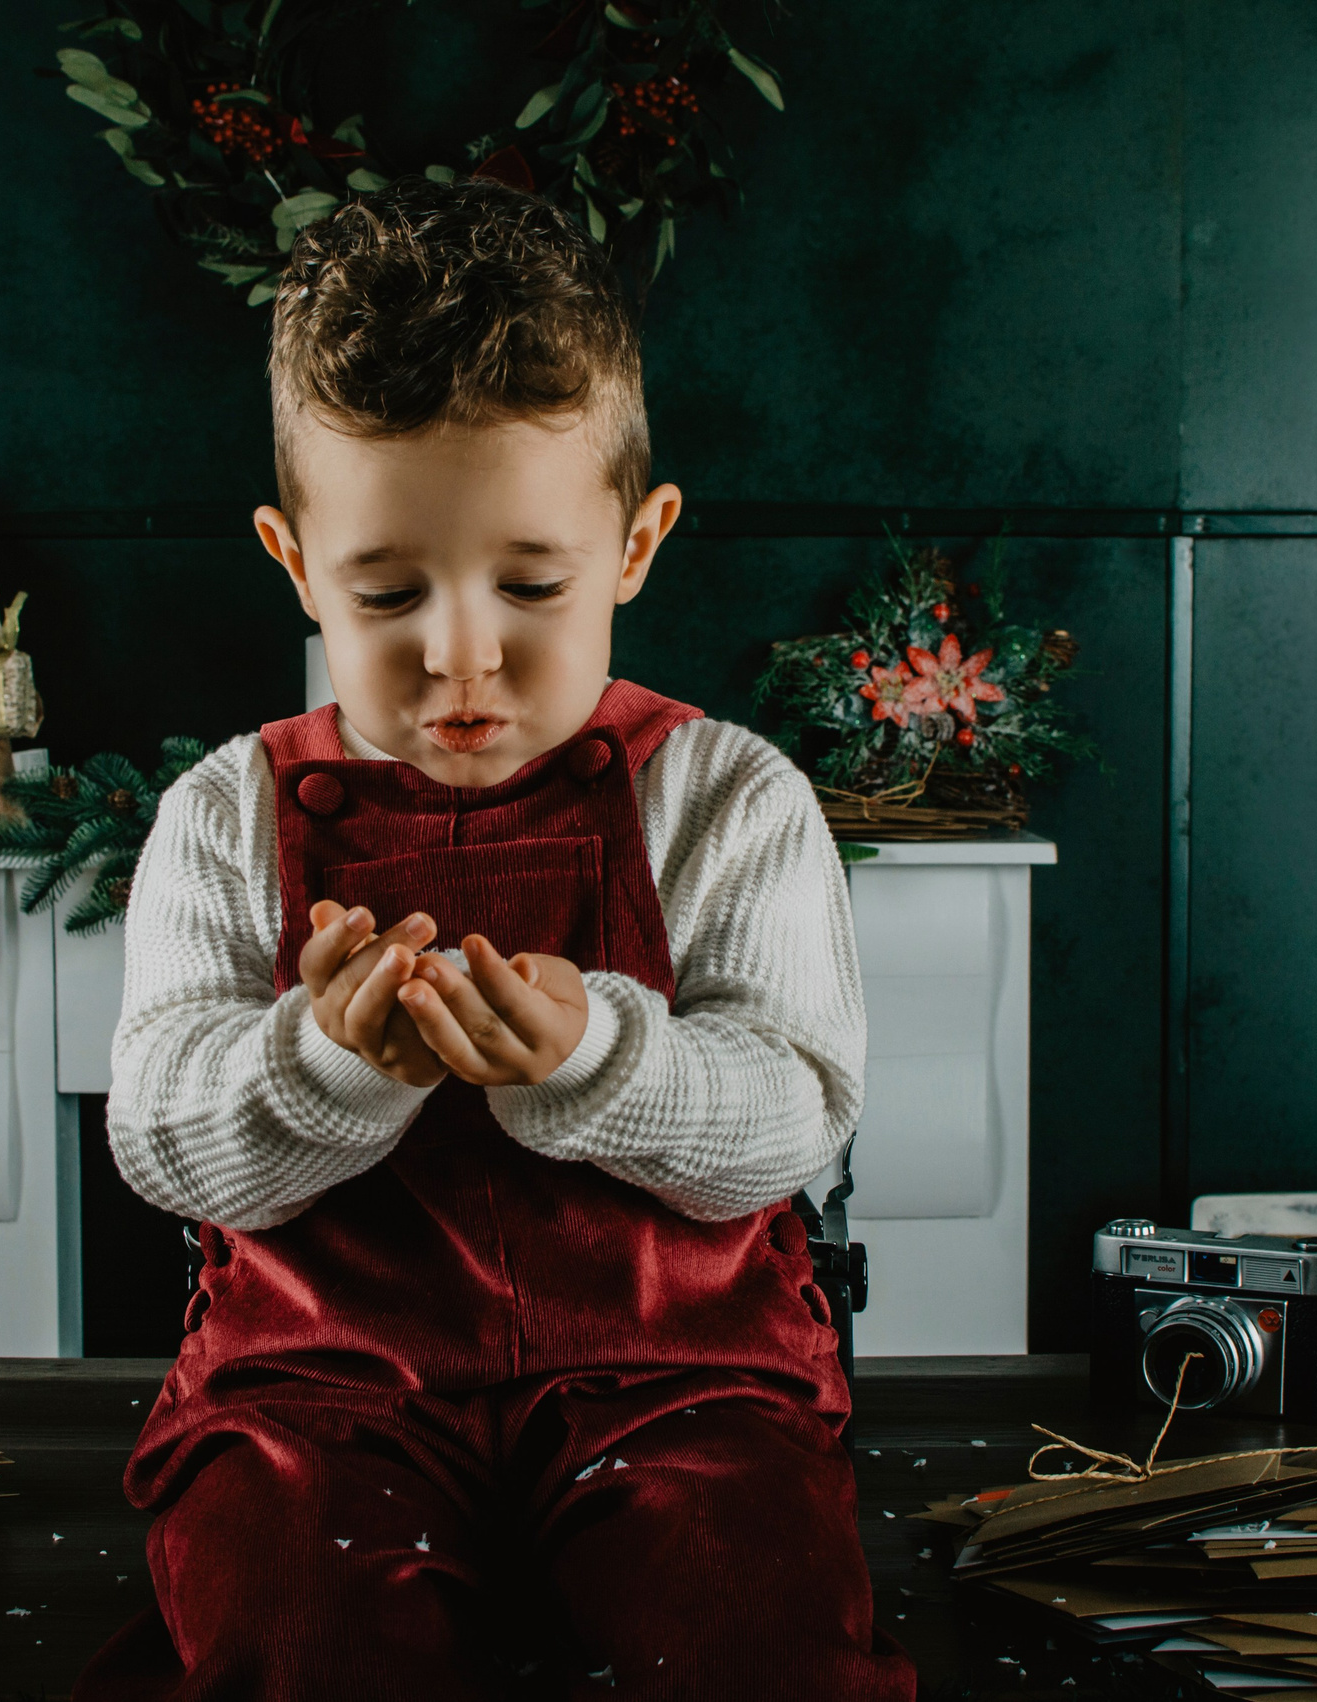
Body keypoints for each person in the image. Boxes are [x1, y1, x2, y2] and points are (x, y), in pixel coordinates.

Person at [79, 175, 913, 1701]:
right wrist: (316, 1065)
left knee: (761, 1630)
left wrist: (600, 1059)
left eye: (532, 583)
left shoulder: (730, 798)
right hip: (318, 1391)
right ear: (292, 561)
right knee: (289, 1623)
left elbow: (792, 1120)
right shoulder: (221, 815)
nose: (462, 649)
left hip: (683, 1385)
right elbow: (159, 1135)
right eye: (387, 592)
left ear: (639, 539)